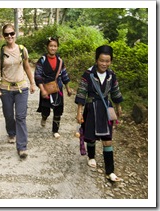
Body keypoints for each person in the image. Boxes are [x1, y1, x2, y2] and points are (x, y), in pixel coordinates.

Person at [75, 45, 123, 182]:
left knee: (108, 140)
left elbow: (115, 92)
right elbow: (81, 93)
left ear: (111, 61)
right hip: (91, 108)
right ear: (96, 60)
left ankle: (110, 171)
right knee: (90, 137)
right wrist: (79, 113)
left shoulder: (111, 75)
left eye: (107, 61)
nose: (104, 64)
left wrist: (118, 106)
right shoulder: (88, 74)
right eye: (102, 60)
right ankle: (91, 156)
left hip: (106, 109)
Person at [0, 24, 35, 159]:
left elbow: (27, 67)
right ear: (3, 36)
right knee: (9, 115)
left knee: (21, 117)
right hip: (6, 89)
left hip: (21, 88)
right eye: (6, 34)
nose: (9, 36)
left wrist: (32, 83)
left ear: (15, 34)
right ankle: (11, 132)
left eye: (11, 33)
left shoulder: (22, 50)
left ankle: (22, 146)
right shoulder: (0, 52)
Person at [34, 37, 72, 139]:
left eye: (55, 46)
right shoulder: (42, 60)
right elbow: (37, 75)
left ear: (57, 47)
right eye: (51, 46)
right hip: (46, 88)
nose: (53, 48)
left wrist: (68, 88)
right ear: (47, 47)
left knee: (58, 110)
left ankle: (55, 130)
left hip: (57, 88)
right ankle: (44, 117)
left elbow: (64, 74)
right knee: (46, 110)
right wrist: (42, 90)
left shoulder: (60, 61)